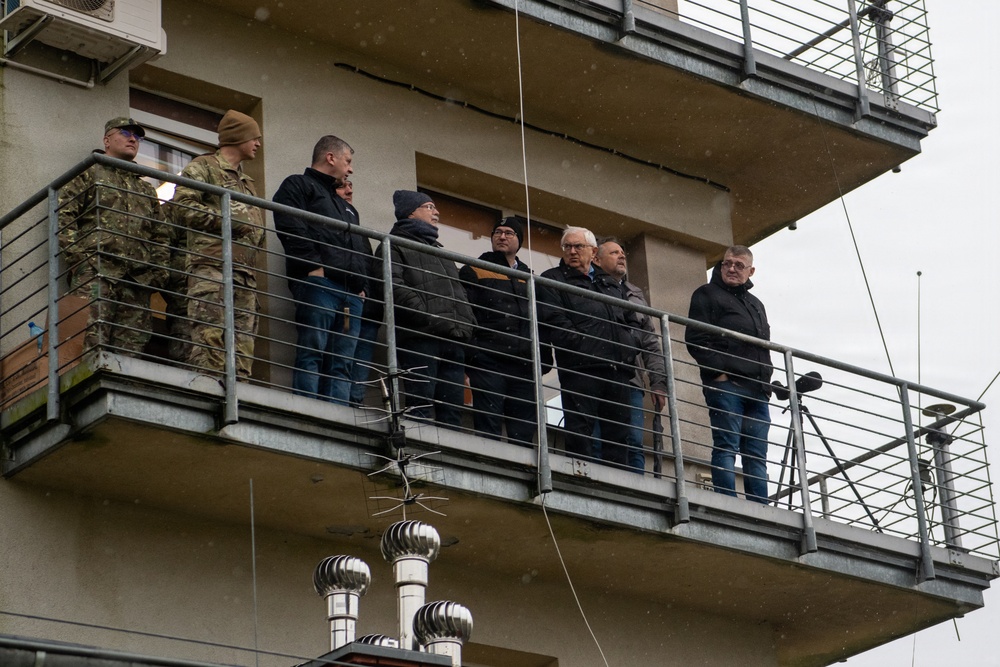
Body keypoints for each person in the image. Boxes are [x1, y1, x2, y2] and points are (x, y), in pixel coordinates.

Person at [273, 136, 373, 404]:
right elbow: (290, 226)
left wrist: (361, 284)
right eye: (348, 161)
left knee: (342, 363)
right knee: (312, 351)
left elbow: (359, 249)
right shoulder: (299, 185)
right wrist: (313, 268)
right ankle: (308, 413)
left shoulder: (344, 205)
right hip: (321, 285)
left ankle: (336, 421)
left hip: (351, 294)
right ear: (331, 158)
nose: (350, 169)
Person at [58, 117, 169, 355]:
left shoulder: (145, 189)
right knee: (86, 343)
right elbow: (64, 213)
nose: (133, 139)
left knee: (130, 353)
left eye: (137, 136)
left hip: (136, 281)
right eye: (126, 133)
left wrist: (158, 272)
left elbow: (160, 233)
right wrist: (80, 258)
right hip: (98, 273)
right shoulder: (91, 173)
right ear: (107, 140)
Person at [171, 109, 265, 378]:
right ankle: (210, 399)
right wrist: (226, 220)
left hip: (245, 275)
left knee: (243, 349)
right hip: (211, 269)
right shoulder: (203, 166)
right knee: (210, 343)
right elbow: (182, 206)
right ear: (238, 137)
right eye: (254, 137)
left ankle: (239, 403)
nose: (258, 143)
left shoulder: (247, 181)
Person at [537, 227, 637, 465]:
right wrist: (583, 346)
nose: (572, 251)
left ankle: (616, 488)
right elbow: (555, 322)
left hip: (617, 370)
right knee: (580, 433)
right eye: (567, 247)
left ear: (593, 252)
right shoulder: (552, 279)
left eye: (578, 246)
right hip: (581, 368)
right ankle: (582, 485)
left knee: (619, 437)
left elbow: (631, 319)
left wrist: (629, 346)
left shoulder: (610, 282)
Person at [685, 245, 773, 504]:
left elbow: (763, 347)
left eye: (738, 265)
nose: (731, 268)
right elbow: (696, 339)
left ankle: (761, 509)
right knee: (726, 446)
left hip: (757, 390)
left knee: (756, 455)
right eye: (727, 264)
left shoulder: (756, 304)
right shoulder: (707, 294)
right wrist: (720, 374)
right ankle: (728, 504)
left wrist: (766, 382)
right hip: (728, 386)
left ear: (751, 271)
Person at [381, 190, 474, 426]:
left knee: (452, 413)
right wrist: (428, 315)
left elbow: (459, 292)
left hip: (453, 340)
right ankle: (420, 459)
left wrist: (467, 323)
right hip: (421, 337)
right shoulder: (393, 245)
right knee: (420, 406)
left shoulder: (440, 251)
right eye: (430, 207)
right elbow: (394, 286)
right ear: (411, 212)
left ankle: (448, 462)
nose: (437, 213)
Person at [459, 217, 548, 445]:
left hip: (523, 364)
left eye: (509, 233)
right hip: (488, 360)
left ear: (519, 241)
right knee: (488, 423)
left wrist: (543, 358)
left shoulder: (530, 278)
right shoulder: (475, 270)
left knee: (524, 431)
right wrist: (471, 354)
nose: (502, 236)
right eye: (497, 232)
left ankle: (523, 477)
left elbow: (540, 321)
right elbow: (467, 315)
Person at [593, 239, 667, 471]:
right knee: (595, 440)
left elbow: (650, 342)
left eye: (623, 253)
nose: (622, 256)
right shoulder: (587, 286)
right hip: (596, 375)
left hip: (631, 380)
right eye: (614, 253)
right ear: (596, 259)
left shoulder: (634, 293)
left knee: (634, 442)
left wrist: (658, 382)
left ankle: (636, 492)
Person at [344, 179, 385, 408]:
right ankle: (341, 409)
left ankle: (353, 406)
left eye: (352, 185)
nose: (349, 190)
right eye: (343, 186)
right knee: (343, 361)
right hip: (348, 305)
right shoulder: (333, 221)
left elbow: (367, 268)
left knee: (359, 366)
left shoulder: (358, 228)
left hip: (368, 311)